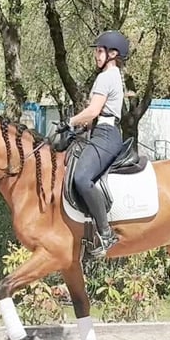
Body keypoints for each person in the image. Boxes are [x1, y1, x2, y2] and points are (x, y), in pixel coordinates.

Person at [67, 30, 129, 257]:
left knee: (82, 178)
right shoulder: (113, 76)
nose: (96, 55)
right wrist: (82, 127)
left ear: (113, 54)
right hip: (102, 132)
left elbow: (93, 111)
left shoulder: (106, 76)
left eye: (100, 51)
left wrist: (69, 122)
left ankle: (105, 233)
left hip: (106, 135)